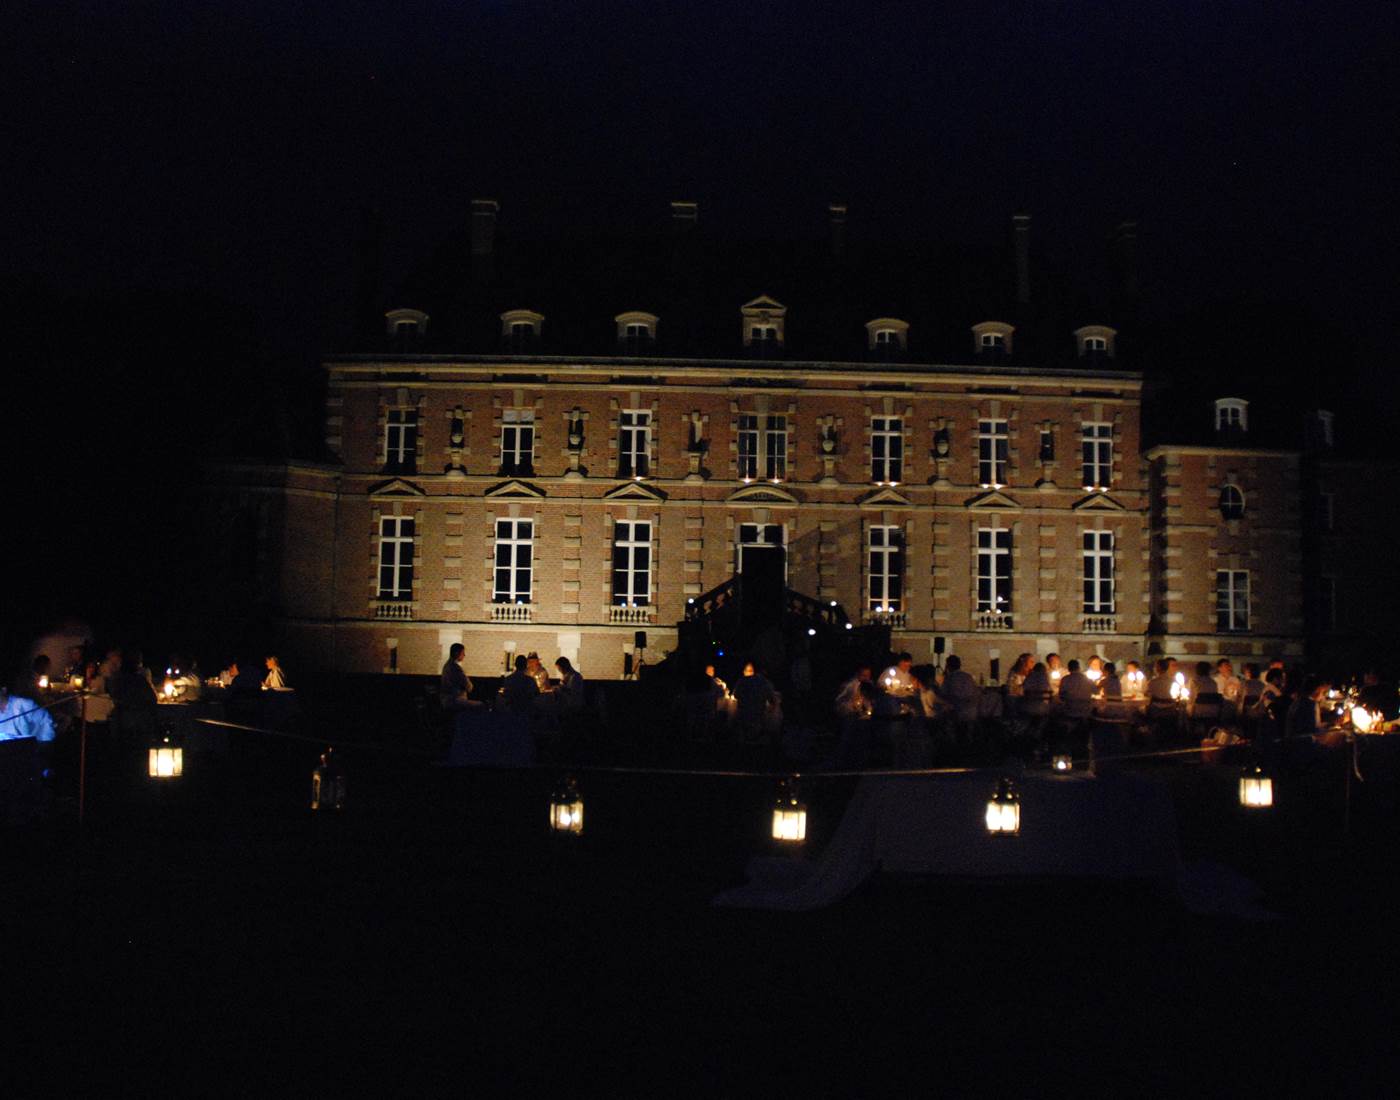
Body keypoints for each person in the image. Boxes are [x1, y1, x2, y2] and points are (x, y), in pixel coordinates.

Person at [732, 660, 778, 742]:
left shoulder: (741, 681)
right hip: (758, 722)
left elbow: (735, 696)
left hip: (744, 722)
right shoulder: (765, 682)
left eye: (749, 670)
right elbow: (773, 701)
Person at [937, 655, 980, 719]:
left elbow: (943, 694)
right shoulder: (968, 677)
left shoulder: (949, 679)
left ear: (948, 666)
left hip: (957, 713)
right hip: (971, 712)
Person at [439, 643, 474, 710]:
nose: (464, 655)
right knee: (481, 705)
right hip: (455, 701)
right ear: (456, 653)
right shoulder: (456, 668)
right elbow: (469, 687)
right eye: (463, 652)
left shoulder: (446, 666)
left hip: (447, 700)